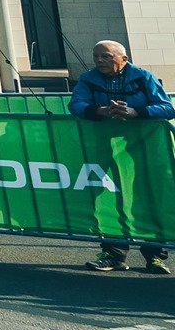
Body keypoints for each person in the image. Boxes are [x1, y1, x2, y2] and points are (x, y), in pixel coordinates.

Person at [71, 40, 173, 273]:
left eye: (106, 56)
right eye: (96, 56)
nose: (99, 61)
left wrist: (136, 112)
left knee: (146, 198)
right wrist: (101, 111)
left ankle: (155, 255)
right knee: (108, 199)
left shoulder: (142, 76)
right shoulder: (88, 78)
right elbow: (76, 104)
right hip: (104, 148)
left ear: (123, 59)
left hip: (143, 150)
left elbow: (167, 107)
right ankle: (113, 255)